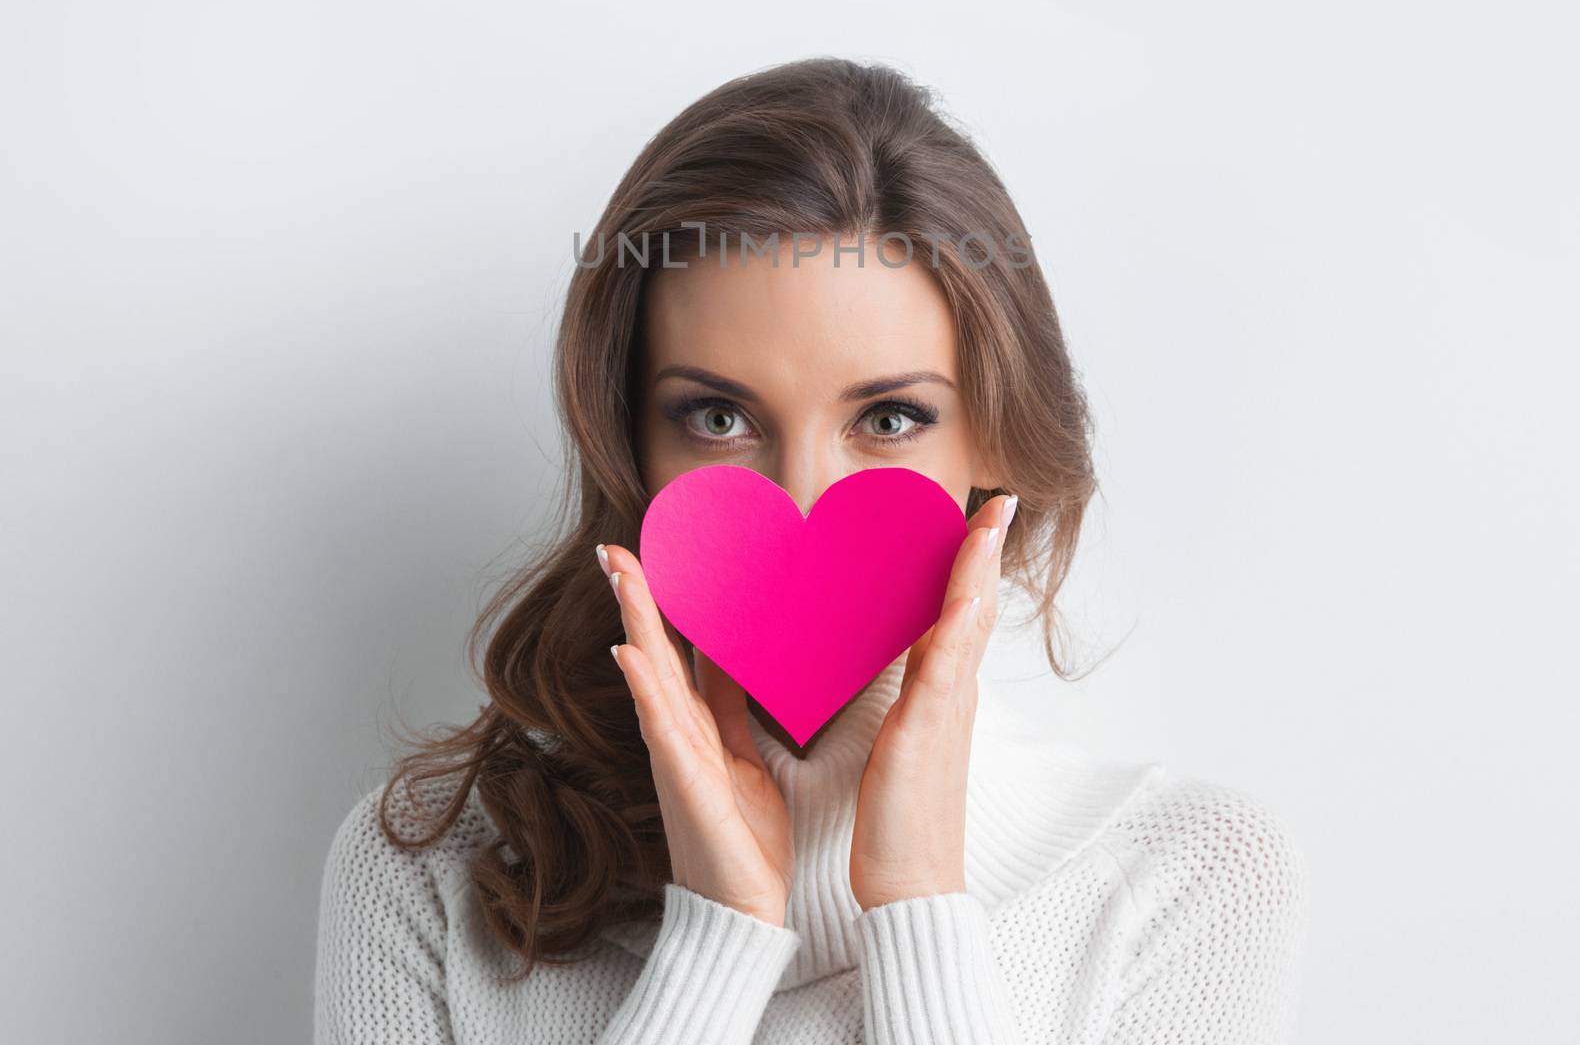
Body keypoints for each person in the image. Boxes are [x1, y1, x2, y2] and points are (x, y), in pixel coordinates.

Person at [314, 56, 1310, 1043]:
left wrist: (918, 904)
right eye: (716, 416)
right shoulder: (427, 868)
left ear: (995, 440)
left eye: (886, 417)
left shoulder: (1184, 880)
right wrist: (715, 944)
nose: (798, 500)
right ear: (628, 441)